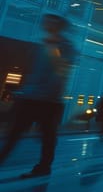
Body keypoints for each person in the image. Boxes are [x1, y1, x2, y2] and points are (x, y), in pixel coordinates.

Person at [0, 14, 77, 178]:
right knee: (16, 132)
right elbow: (32, 71)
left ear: (59, 25)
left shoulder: (65, 47)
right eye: (46, 21)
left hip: (49, 100)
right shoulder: (42, 44)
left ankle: (44, 167)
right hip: (31, 97)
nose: (46, 24)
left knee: (47, 136)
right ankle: (40, 166)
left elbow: (61, 72)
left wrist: (53, 47)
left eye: (50, 21)